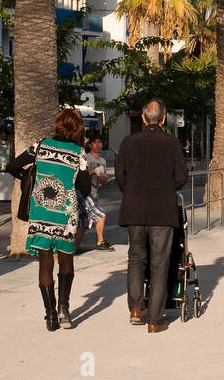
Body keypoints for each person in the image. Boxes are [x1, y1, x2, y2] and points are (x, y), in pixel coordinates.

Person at [11, 109, 91, 331]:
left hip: (41, 212)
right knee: (66, 260)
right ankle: (64, 309)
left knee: (45, 262)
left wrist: (29, 178)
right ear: (78, 129)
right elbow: (86, 188)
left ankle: (50, 315)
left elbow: (13, 166)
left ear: (58, 124)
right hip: (66, 214)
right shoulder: (79, 154)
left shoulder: (41, 146)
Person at [116, 99, 187, 333]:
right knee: (159, 263)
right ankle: (155, 319)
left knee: (136, 258)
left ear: (144, 118)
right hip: (162, 210)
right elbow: (181, 178)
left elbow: (120, 177)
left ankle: (135, 309)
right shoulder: (172, 143)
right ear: (164, 119)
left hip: (134, 209)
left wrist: (133, 192)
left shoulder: (128, 143)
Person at [75, 137, 113, 252]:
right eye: (95, 142)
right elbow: (79, 174)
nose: (98, 145)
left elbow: (104, 181)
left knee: (84, 223)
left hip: (94, 194)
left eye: (100, 142)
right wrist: (93, 171)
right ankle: (100, 242)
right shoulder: (86, 158)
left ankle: (74, 248)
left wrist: (102, 178)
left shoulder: (103, 161)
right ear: (90, 145)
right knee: (101, 215)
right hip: (84, 192)